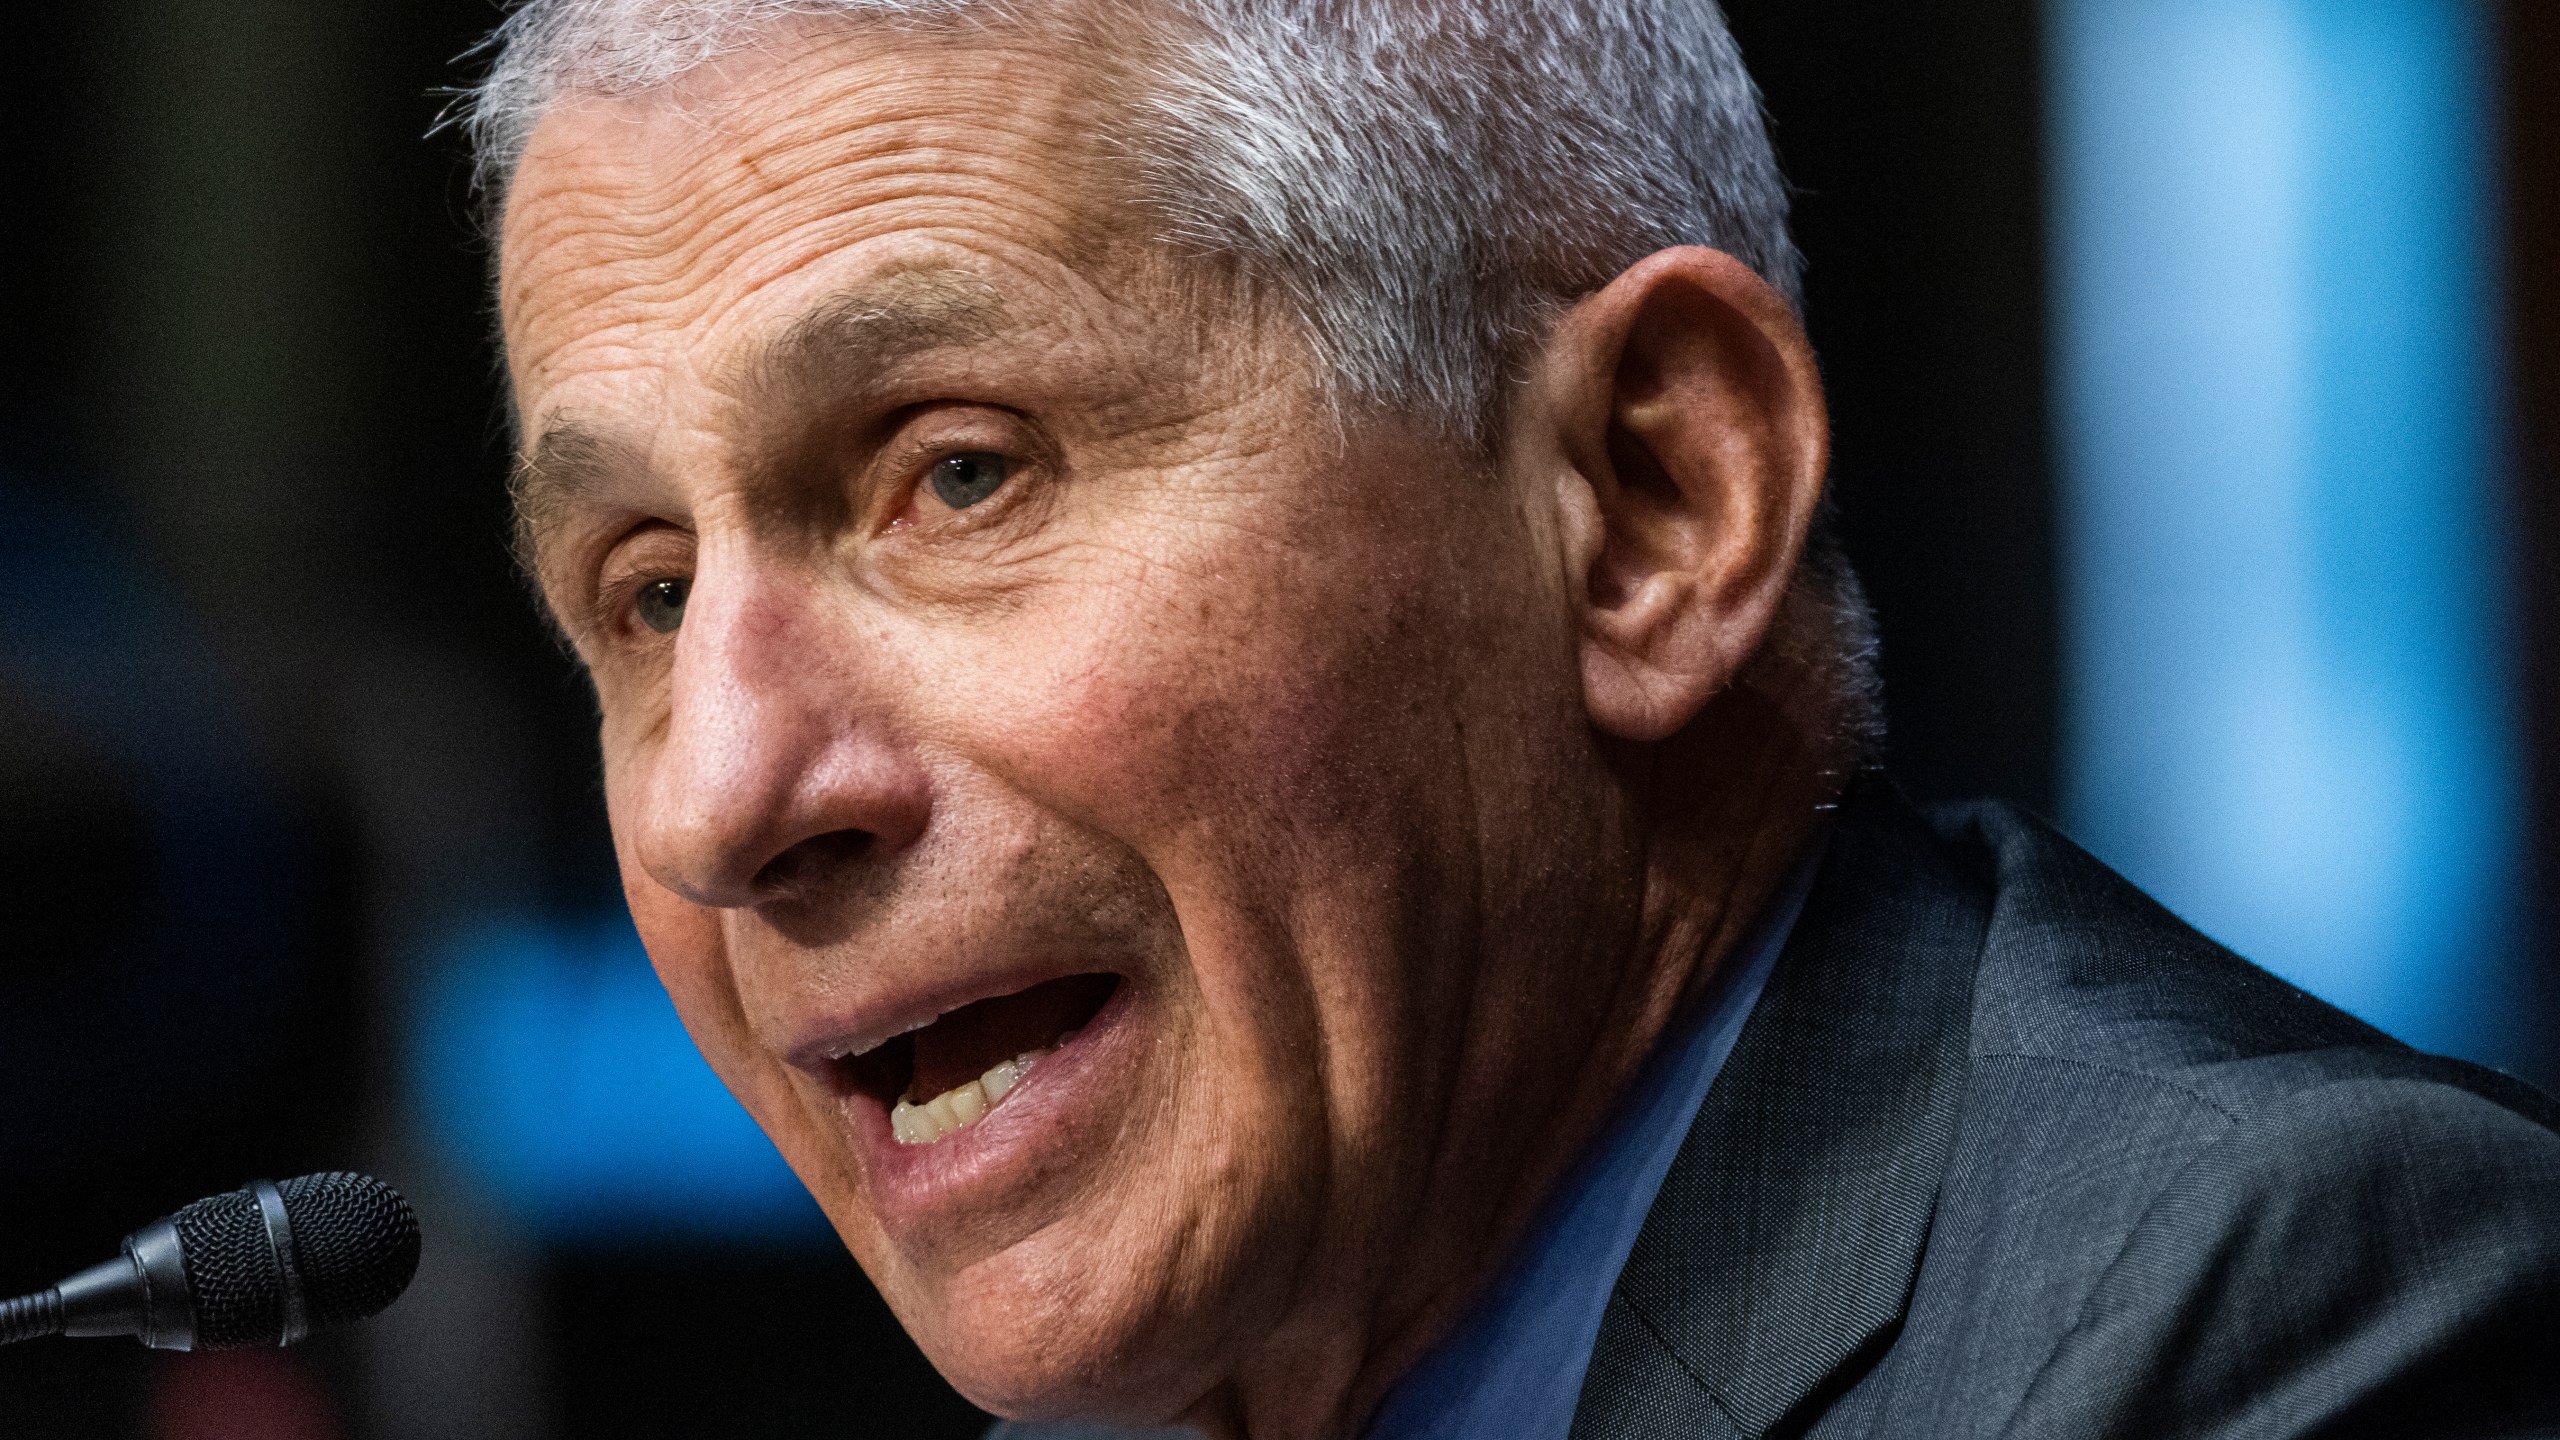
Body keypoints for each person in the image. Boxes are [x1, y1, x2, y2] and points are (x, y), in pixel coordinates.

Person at [463, 1, 2560, 1435]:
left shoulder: (2291, 1324)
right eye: (643, 594)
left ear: (1652, 500)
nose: (723, 797)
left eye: (961, 474)